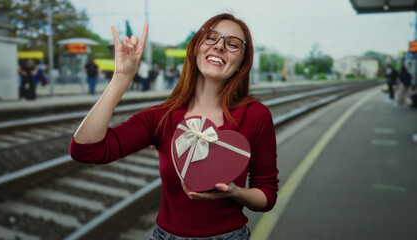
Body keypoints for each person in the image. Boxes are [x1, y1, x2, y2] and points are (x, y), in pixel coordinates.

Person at [69, 13, 278, 239]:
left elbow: (267, 196)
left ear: (241, 64)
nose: (219, 46)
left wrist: (235, 192)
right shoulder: (162, 116)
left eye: (233, 44)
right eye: (211, 38)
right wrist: (121, 78)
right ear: (196, 48)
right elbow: (85, 150)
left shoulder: (256, 115)